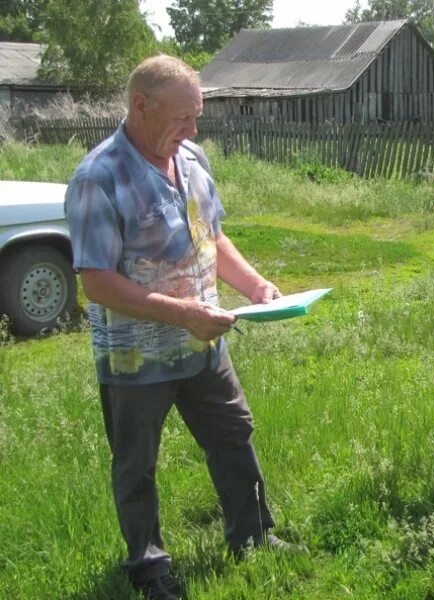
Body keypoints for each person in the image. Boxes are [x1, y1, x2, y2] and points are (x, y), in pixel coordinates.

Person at [65, 55, 303, 600]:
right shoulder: (97, 178)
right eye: (182, 118)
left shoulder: (191, 158)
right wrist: (184, 314)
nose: (193, 130)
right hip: (136, 357)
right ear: (140, 107)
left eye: (197, 117)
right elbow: (96, 282)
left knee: (233, 435)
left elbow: (211, 237)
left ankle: (253, 537)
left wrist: (256, 286)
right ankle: (149, 571)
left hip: (204, 343)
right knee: (137, 465)